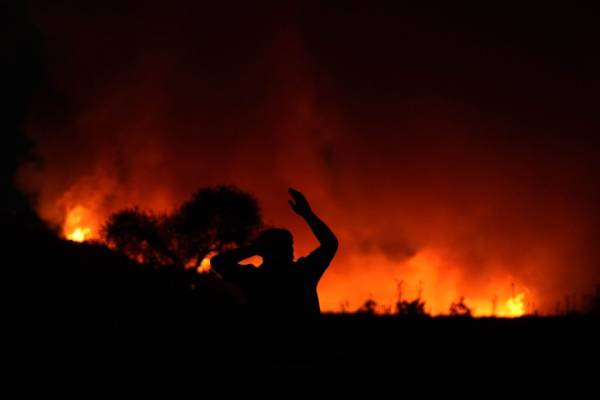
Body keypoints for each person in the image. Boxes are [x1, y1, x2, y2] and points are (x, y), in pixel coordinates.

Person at [210, 188, 338, 360]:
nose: (290, 250)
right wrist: (307, 215)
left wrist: (254, 248)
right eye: (288, 246)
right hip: (305, 354)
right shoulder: (303, 273)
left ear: (264, 251)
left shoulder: (254, 278)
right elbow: (330, 243)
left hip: (263, 353)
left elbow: (218, 262)